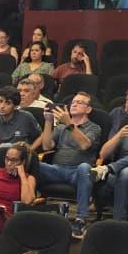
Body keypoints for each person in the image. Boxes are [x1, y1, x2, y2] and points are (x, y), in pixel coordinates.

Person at [36, 94, 102, 235]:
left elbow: (85, 145)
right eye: (73, 102)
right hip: (57, 170)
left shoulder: (94, 128)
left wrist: (69, 124)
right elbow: (47, 146)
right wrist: (48, 122)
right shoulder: (60, 128)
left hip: (77, 172)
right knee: (34, 163)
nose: (74, 104)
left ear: (88, 109)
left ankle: (80, 219)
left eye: (79, 102)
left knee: (85, 168)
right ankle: (29, 209)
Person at [0, 142, 36, 235]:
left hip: (8, 218)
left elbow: (27, 201)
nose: (8, 163)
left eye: (14, 160)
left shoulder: (29, 179)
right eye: (7, 159)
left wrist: (22, 175)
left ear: (22, 162)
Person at [0, 87, 41, 154]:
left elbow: (40, 136)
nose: (2, 106)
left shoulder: (26, 117)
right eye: (0, 101)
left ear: (15, 106)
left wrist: (29, 150)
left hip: (19, 157)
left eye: (8, 103)